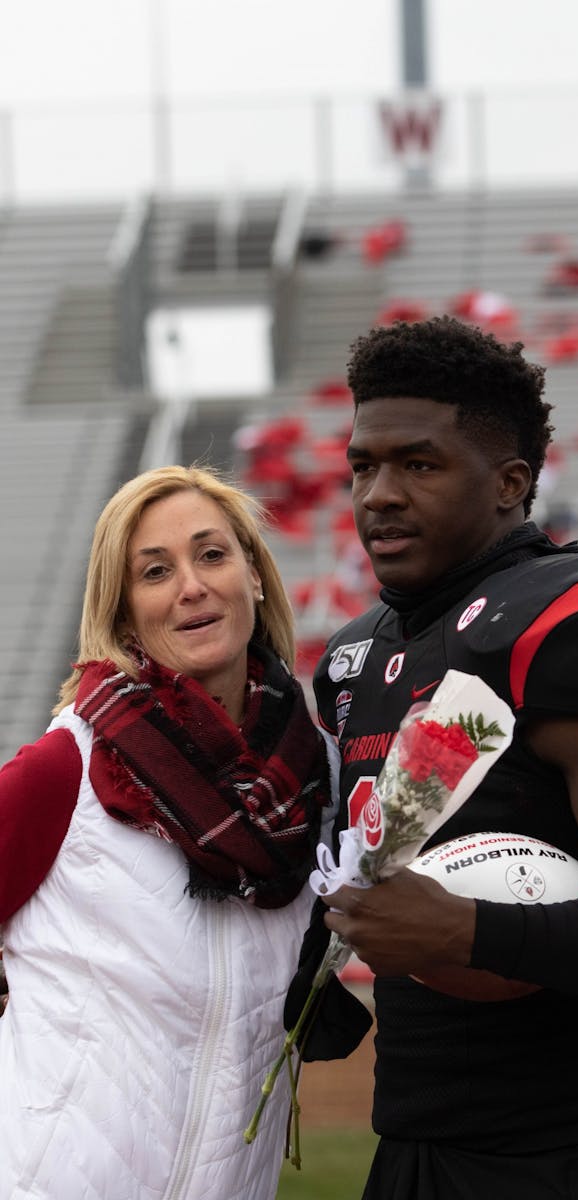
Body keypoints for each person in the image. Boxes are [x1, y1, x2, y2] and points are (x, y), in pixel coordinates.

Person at [304, 317, 578, 1199]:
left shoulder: (572, 619)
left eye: (418, 465)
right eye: (364, 466)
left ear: (509, 483)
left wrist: (470, 932)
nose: (379, 495)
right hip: (415, 1146)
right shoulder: (355, 658)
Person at [0, 465, 334, 1200]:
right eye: (155, 571)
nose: (191, 586)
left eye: (212, 555)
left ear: (254, 576)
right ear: (124, 614)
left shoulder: (318, 780)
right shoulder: (66, 767)